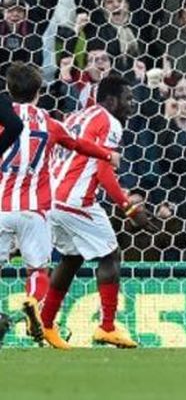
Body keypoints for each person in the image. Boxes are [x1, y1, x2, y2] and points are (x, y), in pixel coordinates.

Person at [0, 63, 117, 346]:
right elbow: (78, 144)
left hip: (1, 207)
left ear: (8, 89)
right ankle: (33, 302)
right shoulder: (49, 123)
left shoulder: (4, 120)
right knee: (37, 269)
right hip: (34, 210)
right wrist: (106, 154)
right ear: (39, 92)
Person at [40, 74, 156, 350]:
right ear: (111, 100)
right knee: (110, 255)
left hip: (52, 197)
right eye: (128, 99)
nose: (132, 105)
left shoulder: (76, 116)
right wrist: (129, 208)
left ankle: (45, 324)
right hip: (76, 200)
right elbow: (104, 171)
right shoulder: (110, 121)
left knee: (72, 257)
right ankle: (107, 327)